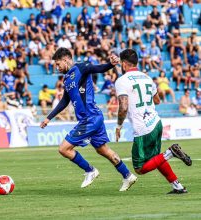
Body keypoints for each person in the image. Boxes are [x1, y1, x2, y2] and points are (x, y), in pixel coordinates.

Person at [40, 47, 137, 191]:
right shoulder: (67, 79)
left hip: (89, 118)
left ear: (66, 59)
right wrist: (49, 118)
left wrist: (110, 65)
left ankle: (90, 170)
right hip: (94, 118)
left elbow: (98, 68)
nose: (57, 67)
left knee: (64, 149)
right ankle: (127, 175)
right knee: (103, 150)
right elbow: (64, 101)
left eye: (58, 64)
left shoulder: (81, 67)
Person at [115, 49, 192, 194]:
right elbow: (157, 100)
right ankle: (177, 186)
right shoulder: (147, 78)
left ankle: (170, 153)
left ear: (124, 64)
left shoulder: (122, 81)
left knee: (140, 168)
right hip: (156, 122)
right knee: (155, 158)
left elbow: (123, 107)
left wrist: (119, 126)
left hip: (143, 128)